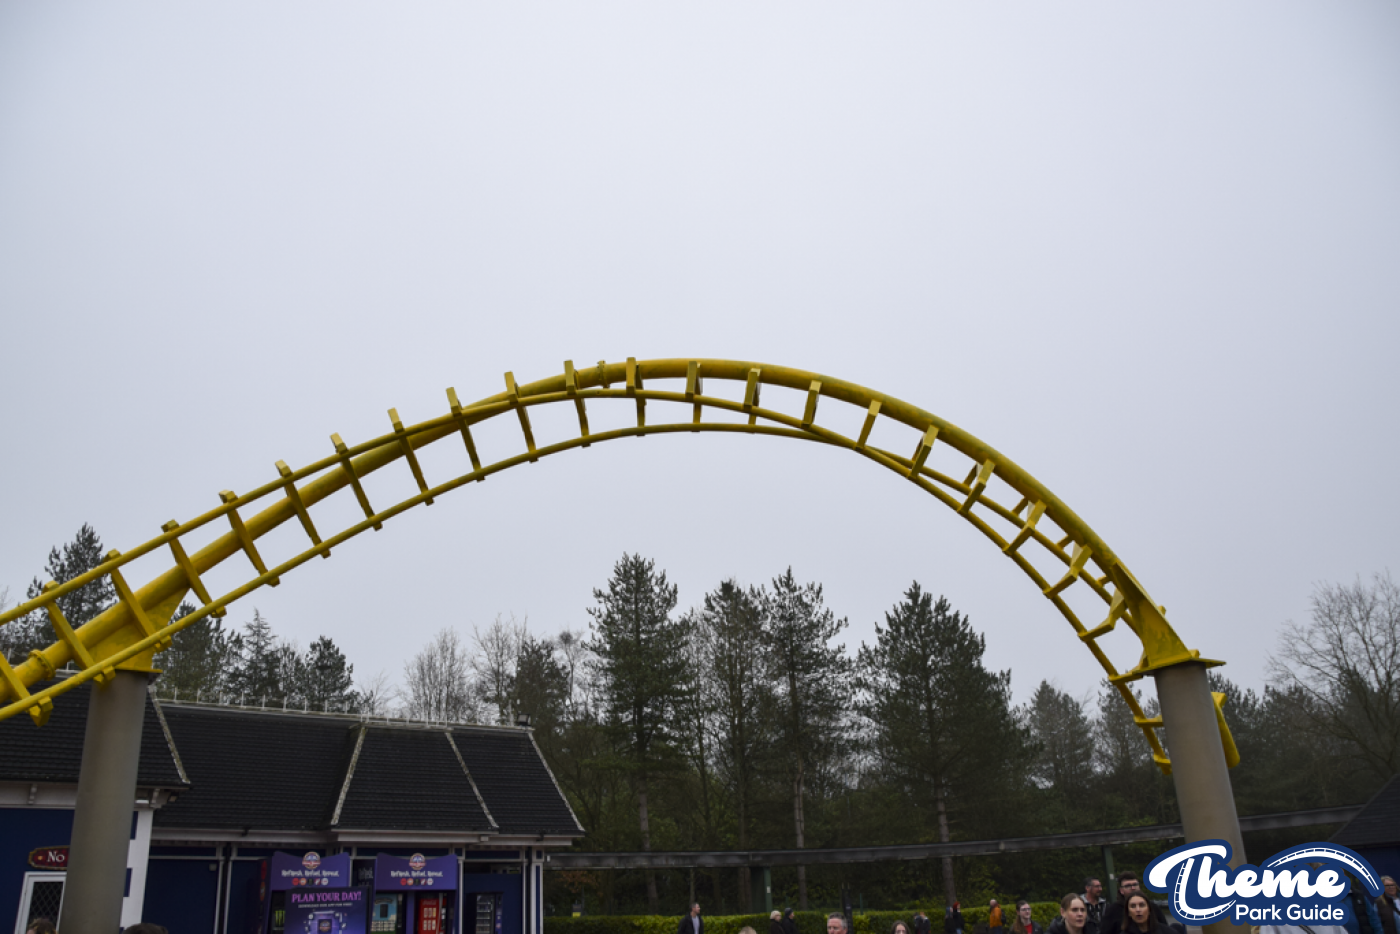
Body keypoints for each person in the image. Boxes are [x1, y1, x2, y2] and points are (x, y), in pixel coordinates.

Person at [1100, 872, 1164, 934]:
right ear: (1121, 891)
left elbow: (1163, 927)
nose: (1133, 888)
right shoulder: (1113, 910)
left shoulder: (1152, 906)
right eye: (1128, 886)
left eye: (1135, 884)